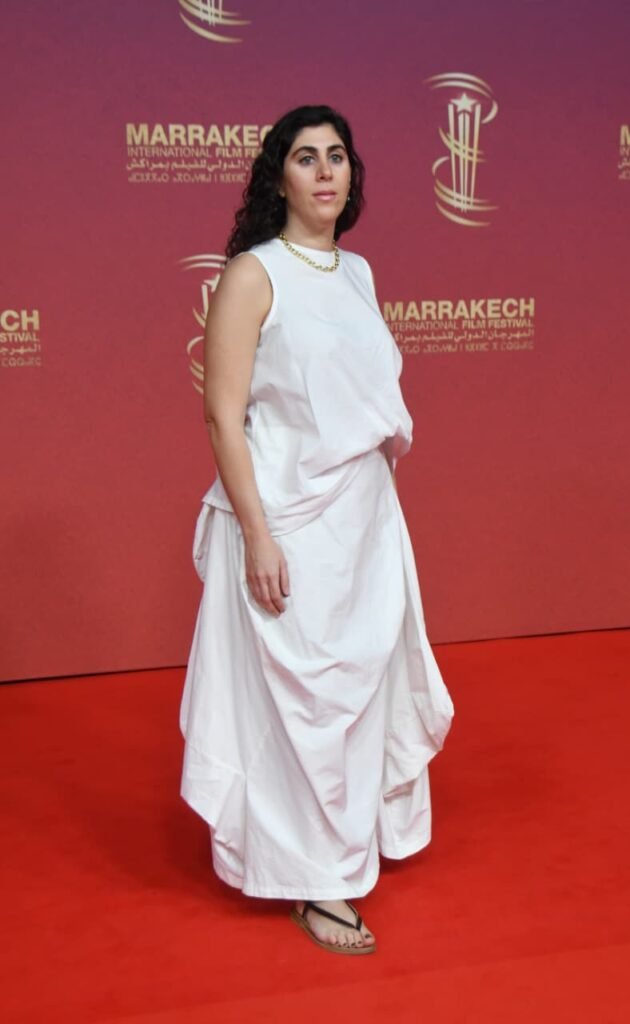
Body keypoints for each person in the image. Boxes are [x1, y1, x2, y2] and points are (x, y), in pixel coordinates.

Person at [180, 105, 454, 955]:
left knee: (359, 688)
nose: (326, 171)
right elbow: (224, 416)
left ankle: (349, 837)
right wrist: (257, 534)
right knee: (301, 700)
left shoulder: (358, 271)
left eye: (337, 156)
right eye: (306, 157)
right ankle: (313, 878)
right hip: (290, 524)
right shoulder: (252, 275)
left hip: (364, 522)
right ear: (279, 177)